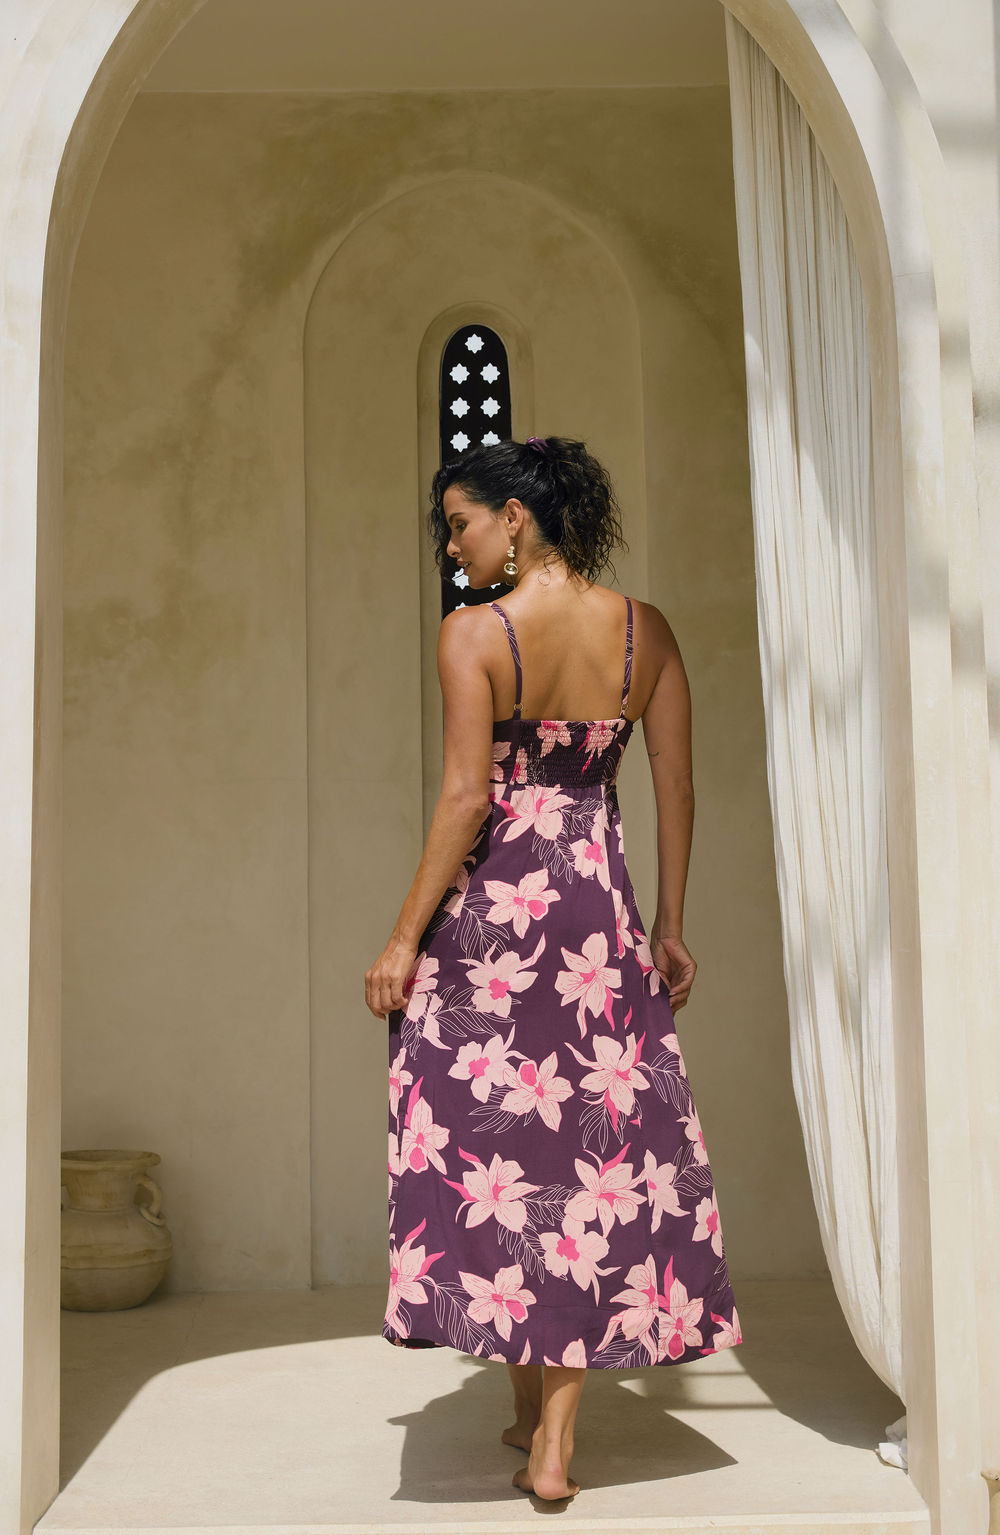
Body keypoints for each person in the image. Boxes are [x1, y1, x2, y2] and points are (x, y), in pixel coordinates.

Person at [365, 435, 742, 1502]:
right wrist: (668, 920)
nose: (455, 545)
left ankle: (543, 1427)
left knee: (498, 1145)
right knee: (593, 1155)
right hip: (598, 912)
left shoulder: (474, 633)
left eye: (461, 522)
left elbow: (464, 799)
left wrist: (402, 937)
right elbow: (675, 783)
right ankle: (544, 1425)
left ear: (515, 517)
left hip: (495, 920)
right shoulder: (644, 630)